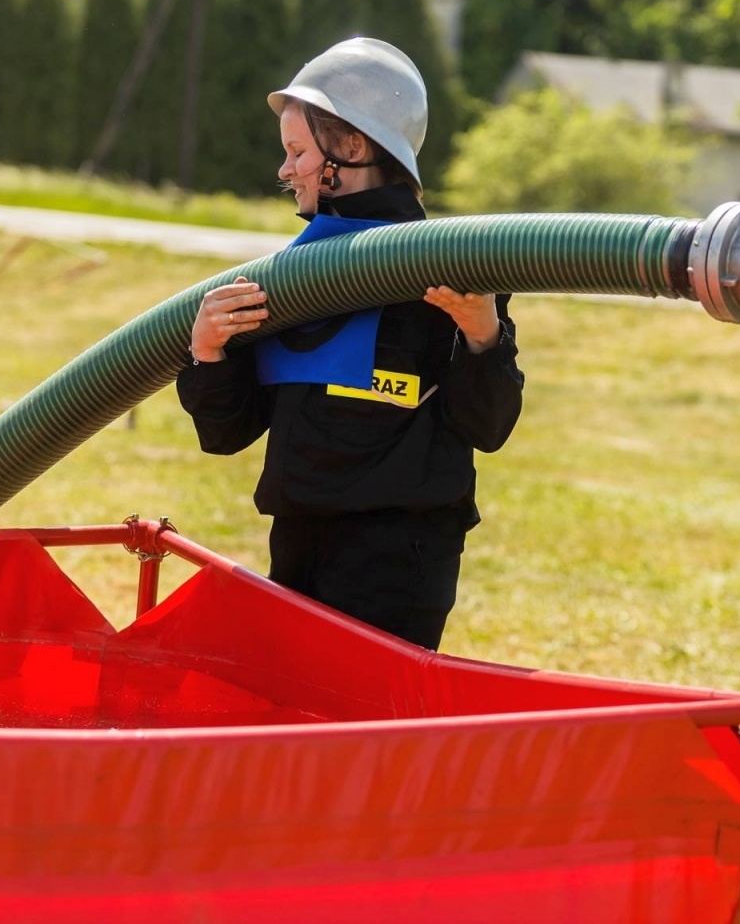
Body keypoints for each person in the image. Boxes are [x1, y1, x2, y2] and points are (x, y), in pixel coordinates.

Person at [175, 37, 525, 650]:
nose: (284, 170)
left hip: (400, 556)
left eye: (296, 152)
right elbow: (227, 432)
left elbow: (487, 427)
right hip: (299, 538)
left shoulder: (451, 272)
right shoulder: (290, 279)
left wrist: (481, 332)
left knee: (365, 710)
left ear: (351, 148)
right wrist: (207, 353)